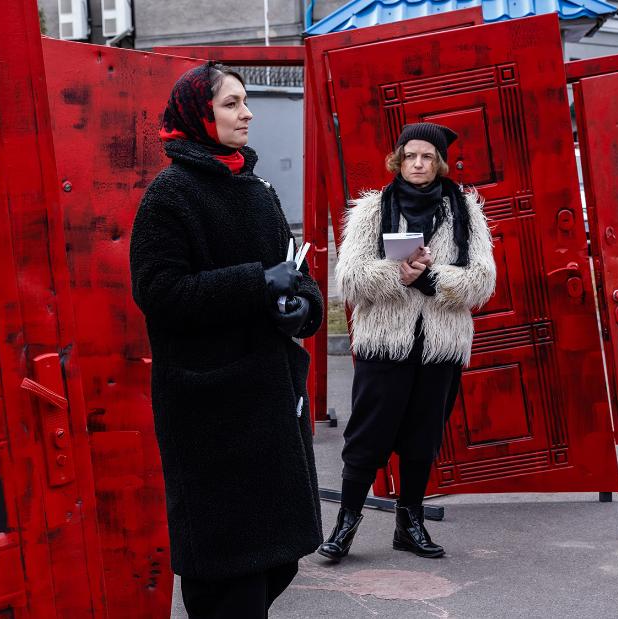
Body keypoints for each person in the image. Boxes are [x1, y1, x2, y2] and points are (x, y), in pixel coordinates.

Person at [129, 62, 324, 618]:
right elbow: (159, 292)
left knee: (275, 561)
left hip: (269, 405)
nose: (248, 112)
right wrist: (256, 284)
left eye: (244, 101)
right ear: (200, 115)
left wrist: (299, 307)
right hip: (211, 414)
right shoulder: (170, 197)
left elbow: (295, 271)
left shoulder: (255, 188)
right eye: (232, 103)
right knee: (227, 580)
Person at [319, 122, 496, 561]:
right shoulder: (371, 209)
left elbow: (483, 280)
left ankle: (409, 523)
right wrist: (396, 275)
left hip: (440, 343)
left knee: (422, 437)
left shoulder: (466, 211)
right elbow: (350, 280)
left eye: (428, 157)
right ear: (399, 159)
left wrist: (433, 279)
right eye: (412, 156)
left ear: (439, 162)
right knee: (367, 436)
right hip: (386, 342)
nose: (419, 164)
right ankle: (346, 524)